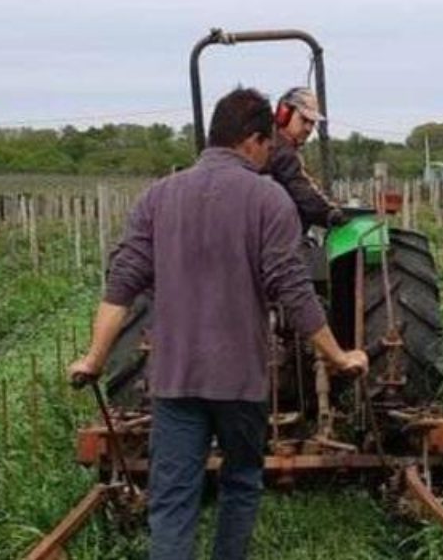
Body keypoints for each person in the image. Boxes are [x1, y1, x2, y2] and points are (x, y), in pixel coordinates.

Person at [67, 87, 368, 560]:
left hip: (175, 379)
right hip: (240, 383)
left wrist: (95, 359)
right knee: (242, 483)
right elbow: (294, 290)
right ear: (252, 139)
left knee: (172, 496)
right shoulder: (270, 201)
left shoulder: (157, 198)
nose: (271, 152)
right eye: (268, 143)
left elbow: (121, 284)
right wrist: (338, 355)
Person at [266, 86, 347, 230]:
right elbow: (302, 190)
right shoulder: (282, 151)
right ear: (284, 114)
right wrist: (329, 214)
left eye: (312, 123)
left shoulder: (269, 141)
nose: (309, 129)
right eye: (304, 120)